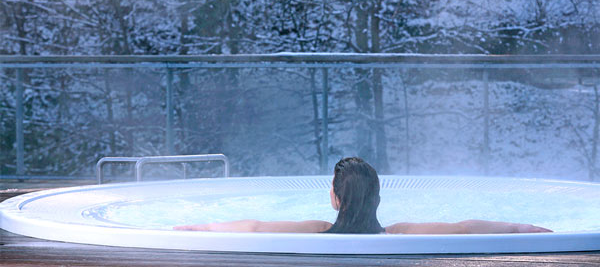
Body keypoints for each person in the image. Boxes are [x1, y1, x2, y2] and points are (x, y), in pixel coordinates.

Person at [174, 157, 552, 234]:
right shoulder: (398, 235)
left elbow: (255, 227)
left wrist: (200, 228)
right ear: (378, 199)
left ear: (335, 199)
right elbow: (466, 228)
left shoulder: (318, 231)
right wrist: (522, 229)